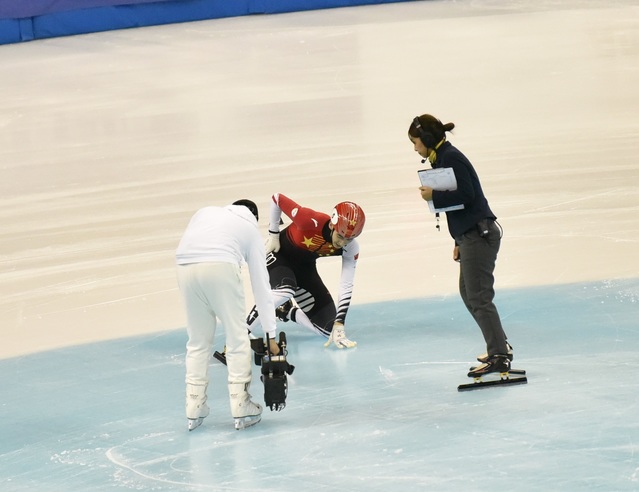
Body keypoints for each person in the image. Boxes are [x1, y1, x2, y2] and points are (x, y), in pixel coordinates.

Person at [408, 114, 513, 377]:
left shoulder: (451, 157)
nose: (414, 148)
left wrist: (434, 195)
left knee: (478, 296)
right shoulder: (442, 158)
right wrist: (457, 240)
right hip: (470, 236)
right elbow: (460, 203)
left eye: (415, 142)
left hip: (479, 235)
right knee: (469, 293)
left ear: (428, 140)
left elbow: (467, 194)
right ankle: (499, 344)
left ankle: (499, 355)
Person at [175, 199, 281, 431]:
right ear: (254, 216)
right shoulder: (249, 227)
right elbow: (262, 286)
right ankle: (241, 403)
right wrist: (270, 336)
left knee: (198, 342)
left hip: (184, 265)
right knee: (237, 337)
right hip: (220, 265)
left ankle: (194, 406)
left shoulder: (205, 212)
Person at [246, 192, 365, 349]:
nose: (342, 243)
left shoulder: (351, 248)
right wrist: (273, 234)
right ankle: (242, 333)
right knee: (286, 290)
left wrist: (339, 323)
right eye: (341, 236)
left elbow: (346, 284)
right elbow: (277, 198)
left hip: (304, 268)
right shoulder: (308, 220)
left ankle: (286, 311)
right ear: (332, 225)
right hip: (278, 255)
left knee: (328, 331)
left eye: (348, 239)